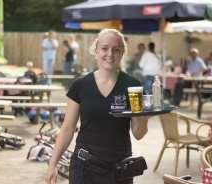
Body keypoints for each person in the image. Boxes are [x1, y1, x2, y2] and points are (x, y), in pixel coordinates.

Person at [46, 28, 149, 184]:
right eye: (104, 48)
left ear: (122, 53)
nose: (110, 54)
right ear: (96, 50)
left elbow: (138, 134)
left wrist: (143, 117)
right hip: (84, 167)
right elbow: (67, 128)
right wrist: (53, 164)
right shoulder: (80, 85)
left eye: (116, 50)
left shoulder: (133, 86)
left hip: (120, 169)